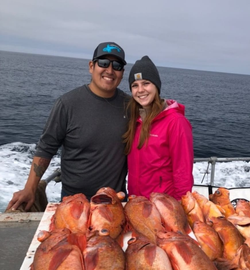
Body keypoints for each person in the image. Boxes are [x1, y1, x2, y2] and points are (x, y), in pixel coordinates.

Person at [7, 41, 130, 212]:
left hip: (115, 203)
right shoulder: (67, 104)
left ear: (122, 73)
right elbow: (46, 148)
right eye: (103, 63)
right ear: (91, 66)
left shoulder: (130, 106)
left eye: (116, 65)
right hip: (73, 204)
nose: (109, 70)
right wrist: (30, 188)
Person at [123, 55, 194, 200]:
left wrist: (181, 208)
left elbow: (183, 172)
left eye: (146, 83)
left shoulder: (176, 122)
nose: (140, 90)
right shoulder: (135, 120)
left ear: (156, 86)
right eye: (135, 85)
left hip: (163, 206)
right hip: (137, 204)